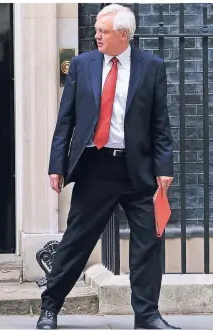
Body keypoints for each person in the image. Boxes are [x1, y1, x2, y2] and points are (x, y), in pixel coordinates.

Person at [37, 4, 179, 330]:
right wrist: (56, 165)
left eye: (103, 31)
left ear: (123, 35)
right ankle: (50, 308)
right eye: (97, 30)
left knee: (148, 244)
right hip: (96, 167)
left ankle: (148, 316)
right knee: (76, 242)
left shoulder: (151, 67)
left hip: (138, 170)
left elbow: (161, 122)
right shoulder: (82, 65)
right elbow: (66, 121)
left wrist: (164, 167)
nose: (96, 35)